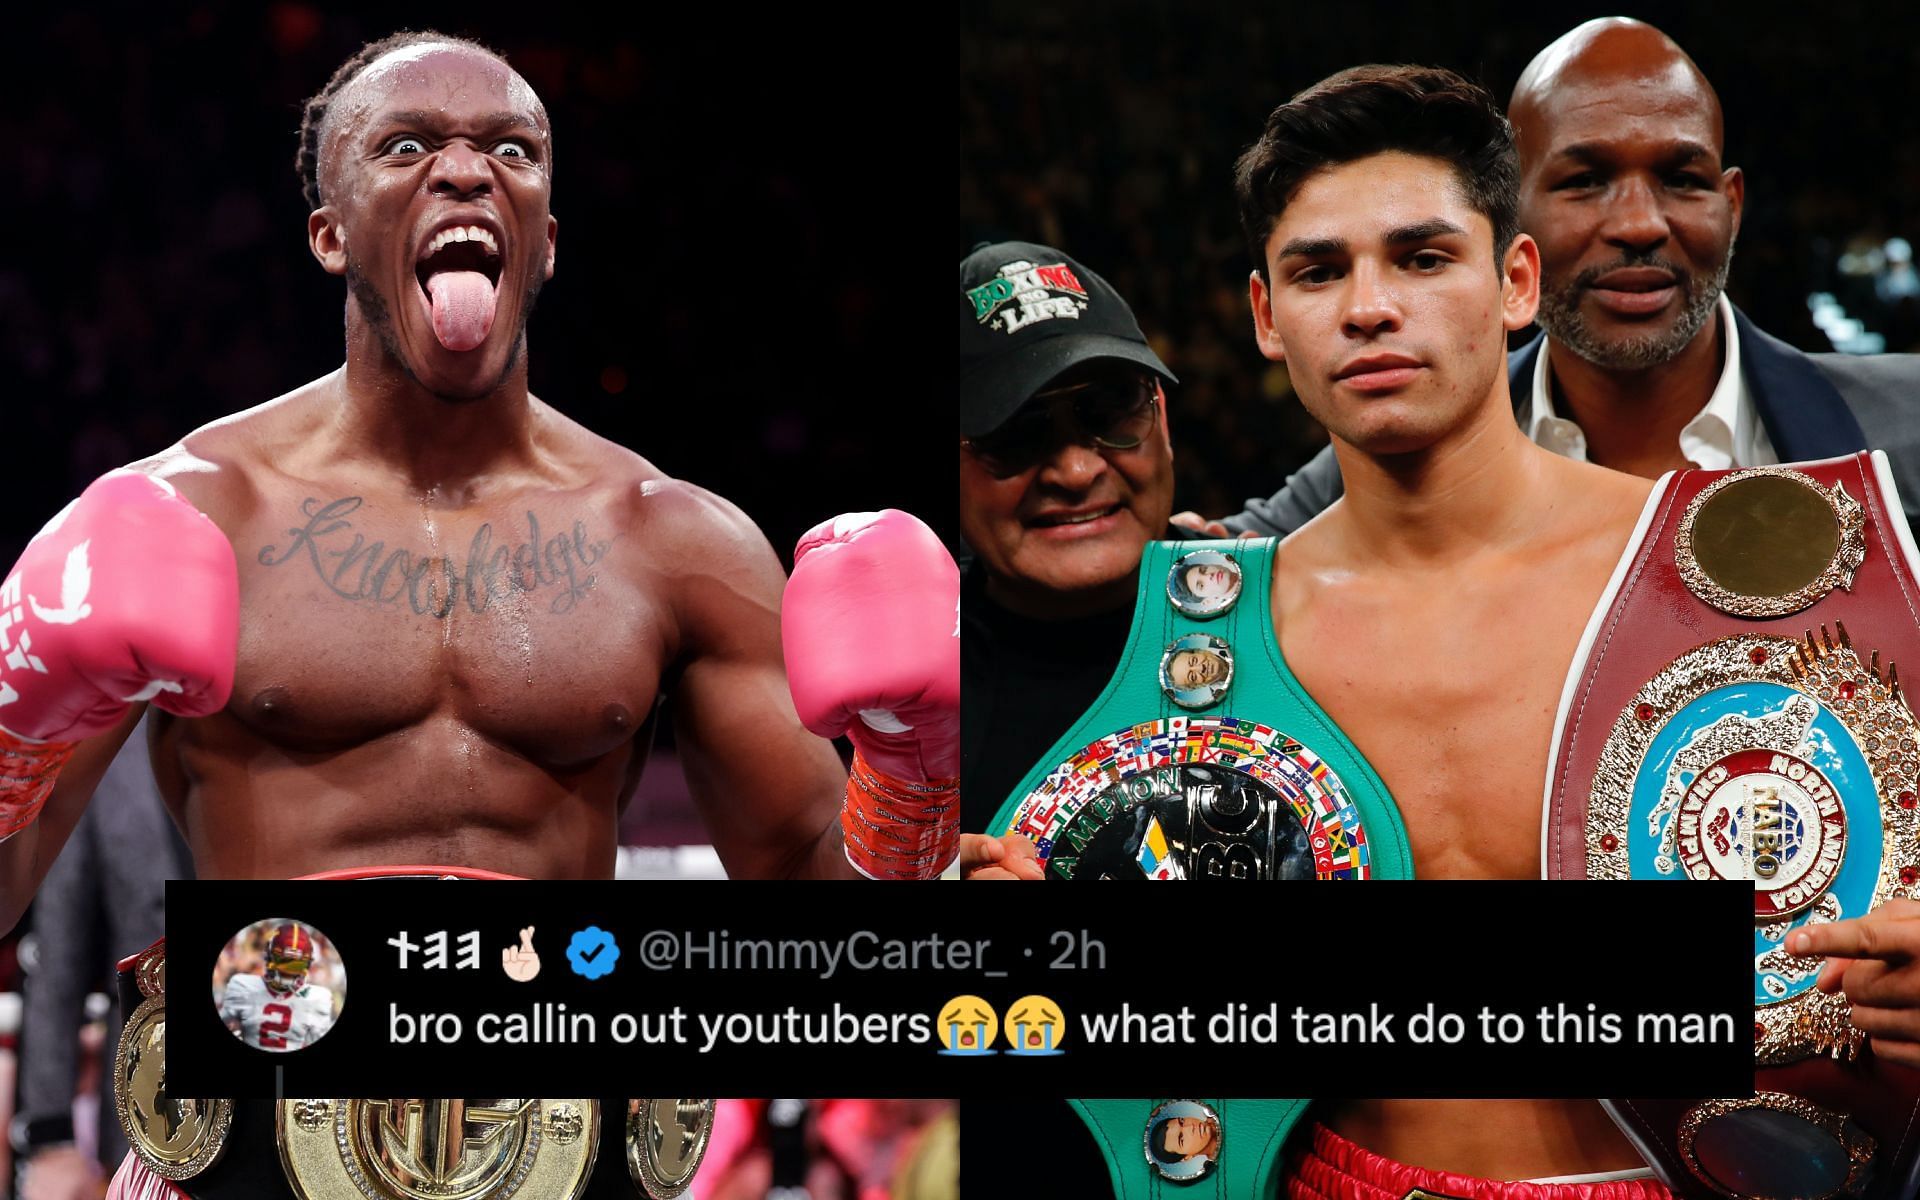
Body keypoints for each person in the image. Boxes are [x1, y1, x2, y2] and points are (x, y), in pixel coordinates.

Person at [0, 28, 958, 1199]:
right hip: (244, 1157)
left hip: (579, 1149)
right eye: (407, 144)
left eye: (512, 147)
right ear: (330, 231)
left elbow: (836, 947)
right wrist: (15, 741)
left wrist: (913, 776)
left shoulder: (676, 544)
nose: (466, 170)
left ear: (545, 240)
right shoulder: (194, 516)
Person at [1183, 18, 1920, 540]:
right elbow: (1211, 561)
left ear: (1730, 206)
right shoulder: (1403, 446)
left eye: (1681, 178)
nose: (1638, 224)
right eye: (1585, 180)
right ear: (1512, 227)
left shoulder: (1907, 428)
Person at [955, 241, 1196, 845]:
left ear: (1161, 419)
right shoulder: (896, 707)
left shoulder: (1297, 619)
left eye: (1109, 410)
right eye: (1016, 434)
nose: (1076, 471)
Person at [217, 923, 336, 1053]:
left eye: (296, 965)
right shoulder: (243, 986)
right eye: (284, 962)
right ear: (269, 956)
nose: (289, 971)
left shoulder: (317, 999)